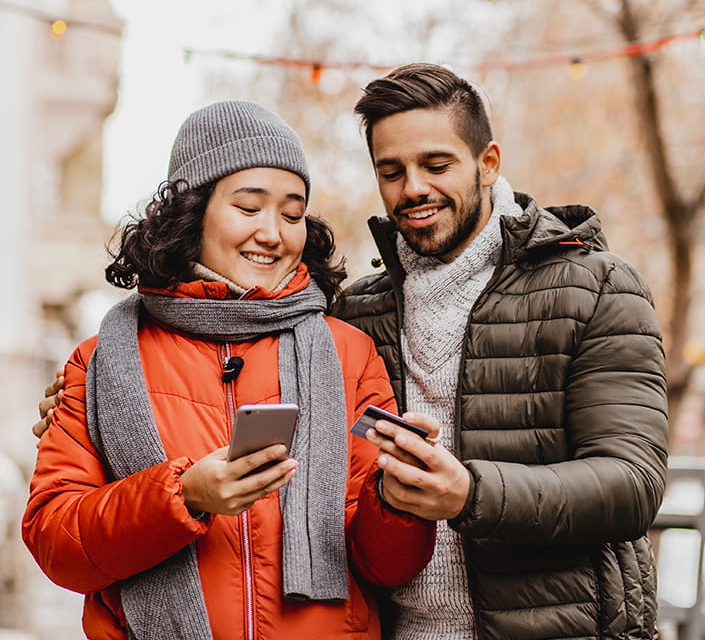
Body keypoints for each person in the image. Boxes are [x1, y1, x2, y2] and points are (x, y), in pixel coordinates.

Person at [35, 66, 670, 640]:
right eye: (391, 172)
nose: (414, 187)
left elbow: (634, 484)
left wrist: (463, 494)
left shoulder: (593, 289)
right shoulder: (358, 311)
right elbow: (60, 530)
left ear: (489, 161)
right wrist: (147, 458)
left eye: (438, 164)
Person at [22, 100, 434, 640]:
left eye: (292, 214)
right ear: (192, 213)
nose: (273, 233)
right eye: (249, 207)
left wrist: (400, 499)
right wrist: (183, 497)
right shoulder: (101, 360)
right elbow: (58, 545)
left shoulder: (347, 353)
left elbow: (386, 567)